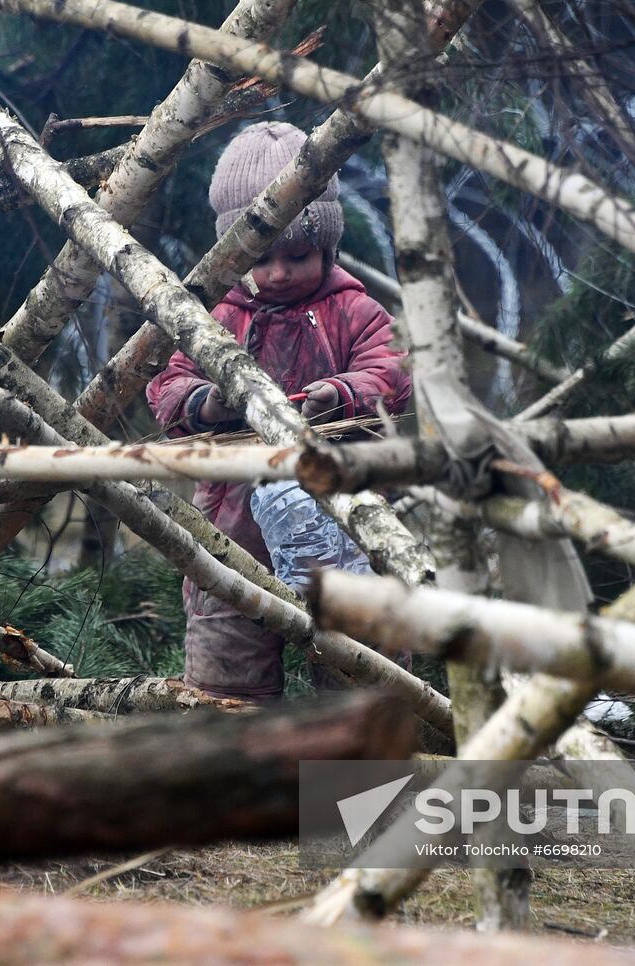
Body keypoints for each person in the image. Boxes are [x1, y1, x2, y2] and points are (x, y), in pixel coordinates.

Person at [147, 121, 411, 701]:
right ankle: (245, 775)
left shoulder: (354, 310)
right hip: (232, 529)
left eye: (298, 255)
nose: (280, 272)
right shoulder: (217, 317)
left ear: (327, 246)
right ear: (236, 253)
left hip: (342, 524)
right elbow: (168, 386)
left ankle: (359, 784)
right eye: (263, 258)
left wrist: (341, 392)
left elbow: (390, 372)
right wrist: (207, 403)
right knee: (227, 669)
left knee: (361, 671)